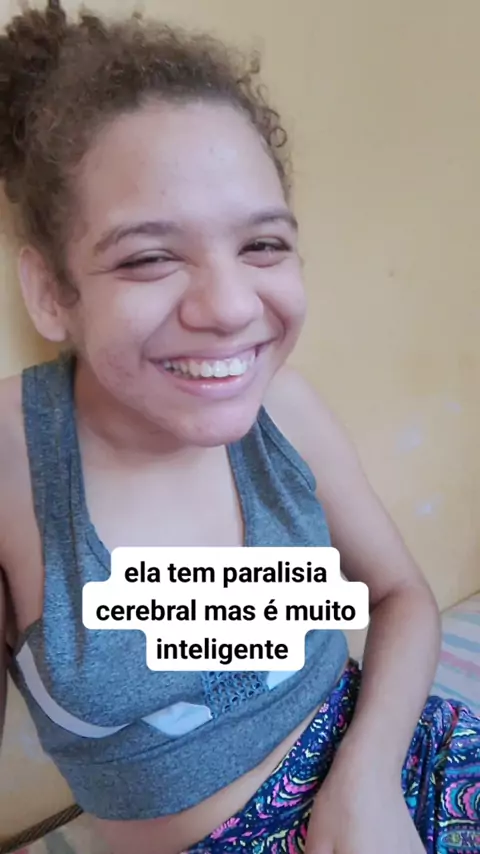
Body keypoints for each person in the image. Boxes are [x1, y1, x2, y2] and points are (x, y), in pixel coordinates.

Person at [0, 2, 478, 852]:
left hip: (398, 771)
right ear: (51, 292)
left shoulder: (284, 409)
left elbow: (399, 596)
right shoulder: (16, 462)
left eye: (261, 246)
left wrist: (367, 785)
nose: (228, 308)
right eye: (150, 256)